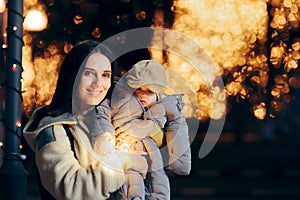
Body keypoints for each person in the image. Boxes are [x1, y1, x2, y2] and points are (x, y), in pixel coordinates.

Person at [23, 40, 147, 200]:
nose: (98, 83)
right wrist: (124, 161)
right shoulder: (53, 131)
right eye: (88, 73)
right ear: (73, 76)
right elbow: (73, 189)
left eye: (105, 75)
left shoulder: (112, 122)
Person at [96, 59, 191, 200]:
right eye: (138, 88)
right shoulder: (119, 101)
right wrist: (107, 143)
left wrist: (155, 133)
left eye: (149, 91)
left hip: (154, 159)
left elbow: (179, 135)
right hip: (126, 155)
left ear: (158, 92)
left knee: (158, 186)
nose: (143, 95)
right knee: (132, 184)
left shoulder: (166, 110)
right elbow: (102, 117)